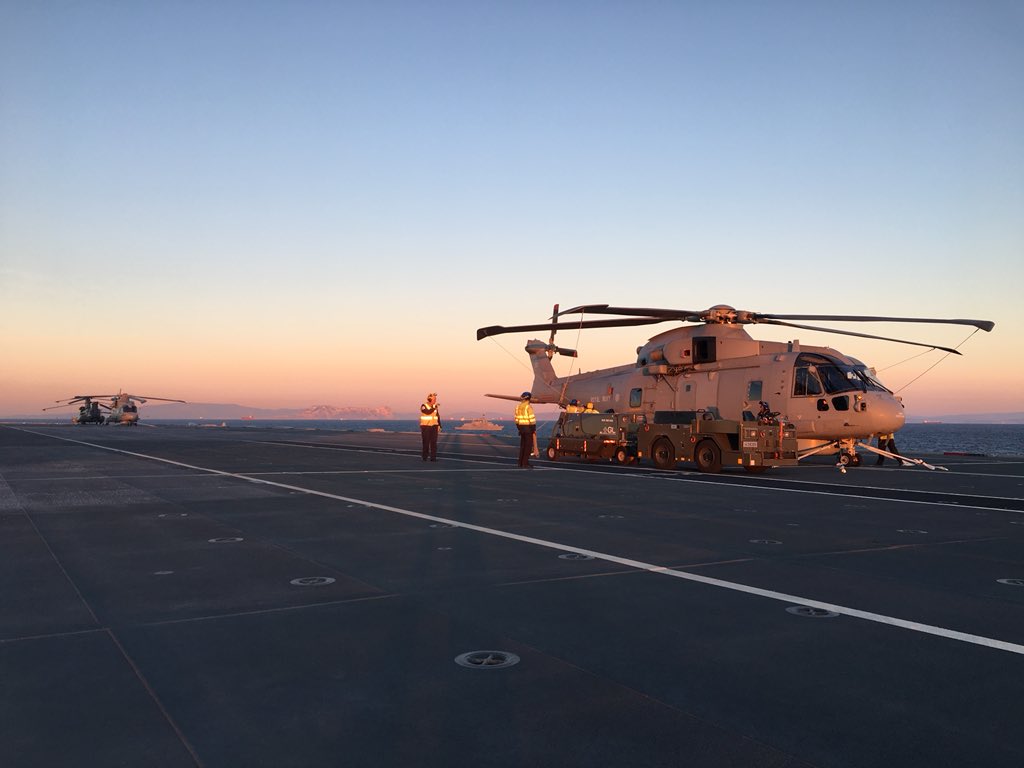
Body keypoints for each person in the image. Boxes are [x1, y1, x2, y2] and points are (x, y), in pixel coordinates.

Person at [514, 391, 536, 468]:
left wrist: (519, 428)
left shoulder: (518, 407)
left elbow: (516, 419)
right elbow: (532, 419)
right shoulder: (528, 407)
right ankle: (525, 463)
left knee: (522, 446)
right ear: (529, 398)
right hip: (528, 428)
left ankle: (520, 462)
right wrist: (533, 429)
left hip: (521, 428)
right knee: (528, 446)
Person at [419, 392, 441, 462]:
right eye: (434, 399)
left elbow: (437, 416)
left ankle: (433, 458)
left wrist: (439, 425)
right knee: (426, 442)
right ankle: (424, 457)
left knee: (434, 443)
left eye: (435, 399)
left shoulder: (435, 407)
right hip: (426, 426)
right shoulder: (424, 406)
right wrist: (434, 407)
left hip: (434, 426)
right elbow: (427, 412)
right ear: (429, 399)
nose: (435, 400)